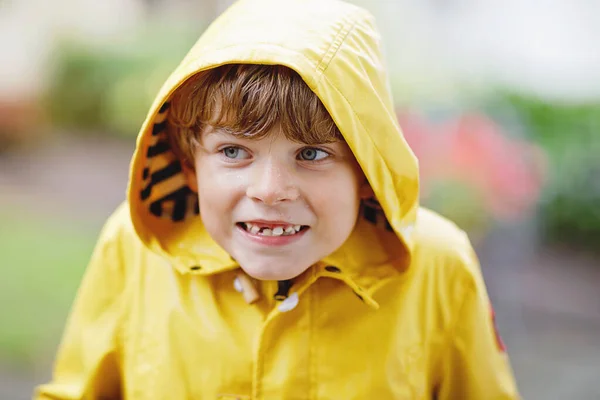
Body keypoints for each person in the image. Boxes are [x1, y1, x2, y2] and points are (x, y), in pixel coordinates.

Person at [35, 0, 520, 398]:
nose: (268, 190)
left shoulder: (437, 265)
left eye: (310, 153)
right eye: (233, 151)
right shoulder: (135, 245)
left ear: (368, 172)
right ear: (190, 166)